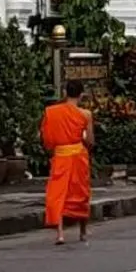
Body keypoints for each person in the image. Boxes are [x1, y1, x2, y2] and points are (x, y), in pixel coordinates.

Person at [41, 79, 94, 245]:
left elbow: (46, 138)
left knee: (59, 193)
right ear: (82, 94)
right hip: (78, 155)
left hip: (61, 156)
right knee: (80, 193)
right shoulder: (86, 114)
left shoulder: (52, 112)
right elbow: (91, 141)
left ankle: (60, 234)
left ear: (65, 93)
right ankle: (83, 232)